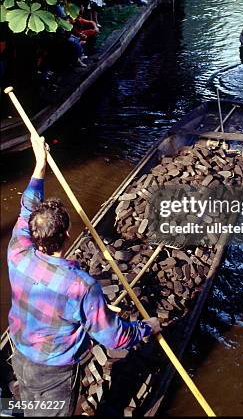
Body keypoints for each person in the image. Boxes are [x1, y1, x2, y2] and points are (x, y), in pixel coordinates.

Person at [8, 135, 160, 417]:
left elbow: (28, 206)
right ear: (67, 235)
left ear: (34, 232)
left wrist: (40, 164)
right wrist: (148, 328)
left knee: (29, 398)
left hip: (21, 352)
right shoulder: (80, 286)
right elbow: (115, 337)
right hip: (55, 372)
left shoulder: (17, 250)